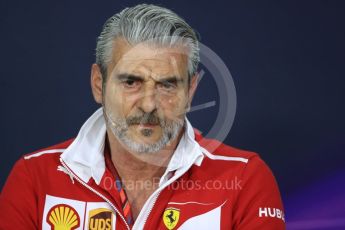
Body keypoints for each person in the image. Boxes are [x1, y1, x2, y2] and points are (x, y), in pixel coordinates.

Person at [0, 4, 285, 229]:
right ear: (99, 84)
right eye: (131, 82)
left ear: (191, 91)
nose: (149, 104)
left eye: (167, 84)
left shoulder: (245, 178)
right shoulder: (34, 177)